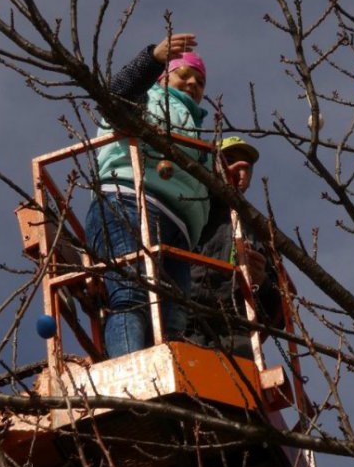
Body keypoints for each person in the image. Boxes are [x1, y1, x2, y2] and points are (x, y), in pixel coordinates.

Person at [85, 34, 212, 358]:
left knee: (173, 325)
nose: (193, 84)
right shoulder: (151, 100)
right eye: (185, 74)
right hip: (130, 202)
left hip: (179, 230)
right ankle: (131, 383)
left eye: (200, 82)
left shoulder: (199, 136)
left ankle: (171, 392)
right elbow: (116, 97)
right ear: (163, 76)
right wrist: (152, 58)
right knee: (130, 296)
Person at [186, 136, 284, 359]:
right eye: (229, 160)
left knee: (242, 364)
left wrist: (262, 282)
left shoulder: (259, 229)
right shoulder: (190, 207)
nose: (239, 171)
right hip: (186, 314)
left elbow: (279, 311)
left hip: (234, 323)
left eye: (246, 167)